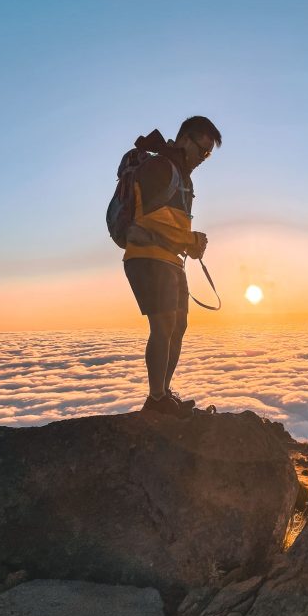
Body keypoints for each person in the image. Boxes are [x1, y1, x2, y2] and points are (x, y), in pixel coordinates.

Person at [123, 116, 222, 415]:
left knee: (178, 325)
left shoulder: (181, 175)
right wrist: (189, 239)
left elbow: (168, 222)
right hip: (147, 256)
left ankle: (162, 394)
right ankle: (156, 400)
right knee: (164, 324)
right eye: (201, 150)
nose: (202, 159)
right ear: (184, 139)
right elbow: (149, 218)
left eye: (208, 155)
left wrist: (189, 244)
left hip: (169, 259)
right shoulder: (161, 167)